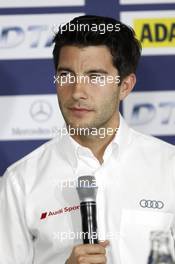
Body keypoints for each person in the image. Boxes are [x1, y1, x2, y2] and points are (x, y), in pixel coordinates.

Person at [0, 14, 175, 264]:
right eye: (66, 75)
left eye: (95, 76)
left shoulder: (169, 167)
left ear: (125, 86)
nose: (77, 92)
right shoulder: (21, 182)